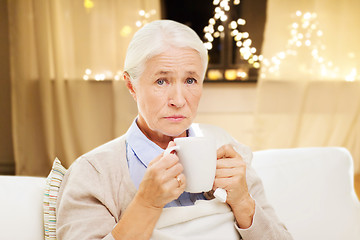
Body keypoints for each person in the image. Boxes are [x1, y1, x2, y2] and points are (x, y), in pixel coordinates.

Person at [56, 20, 293, 240]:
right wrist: (146, 204)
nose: (178, 100)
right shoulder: (93, 174)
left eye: (190, 80)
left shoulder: (228, 151)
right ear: (131, 86)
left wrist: (243, 201)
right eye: (162, 81)